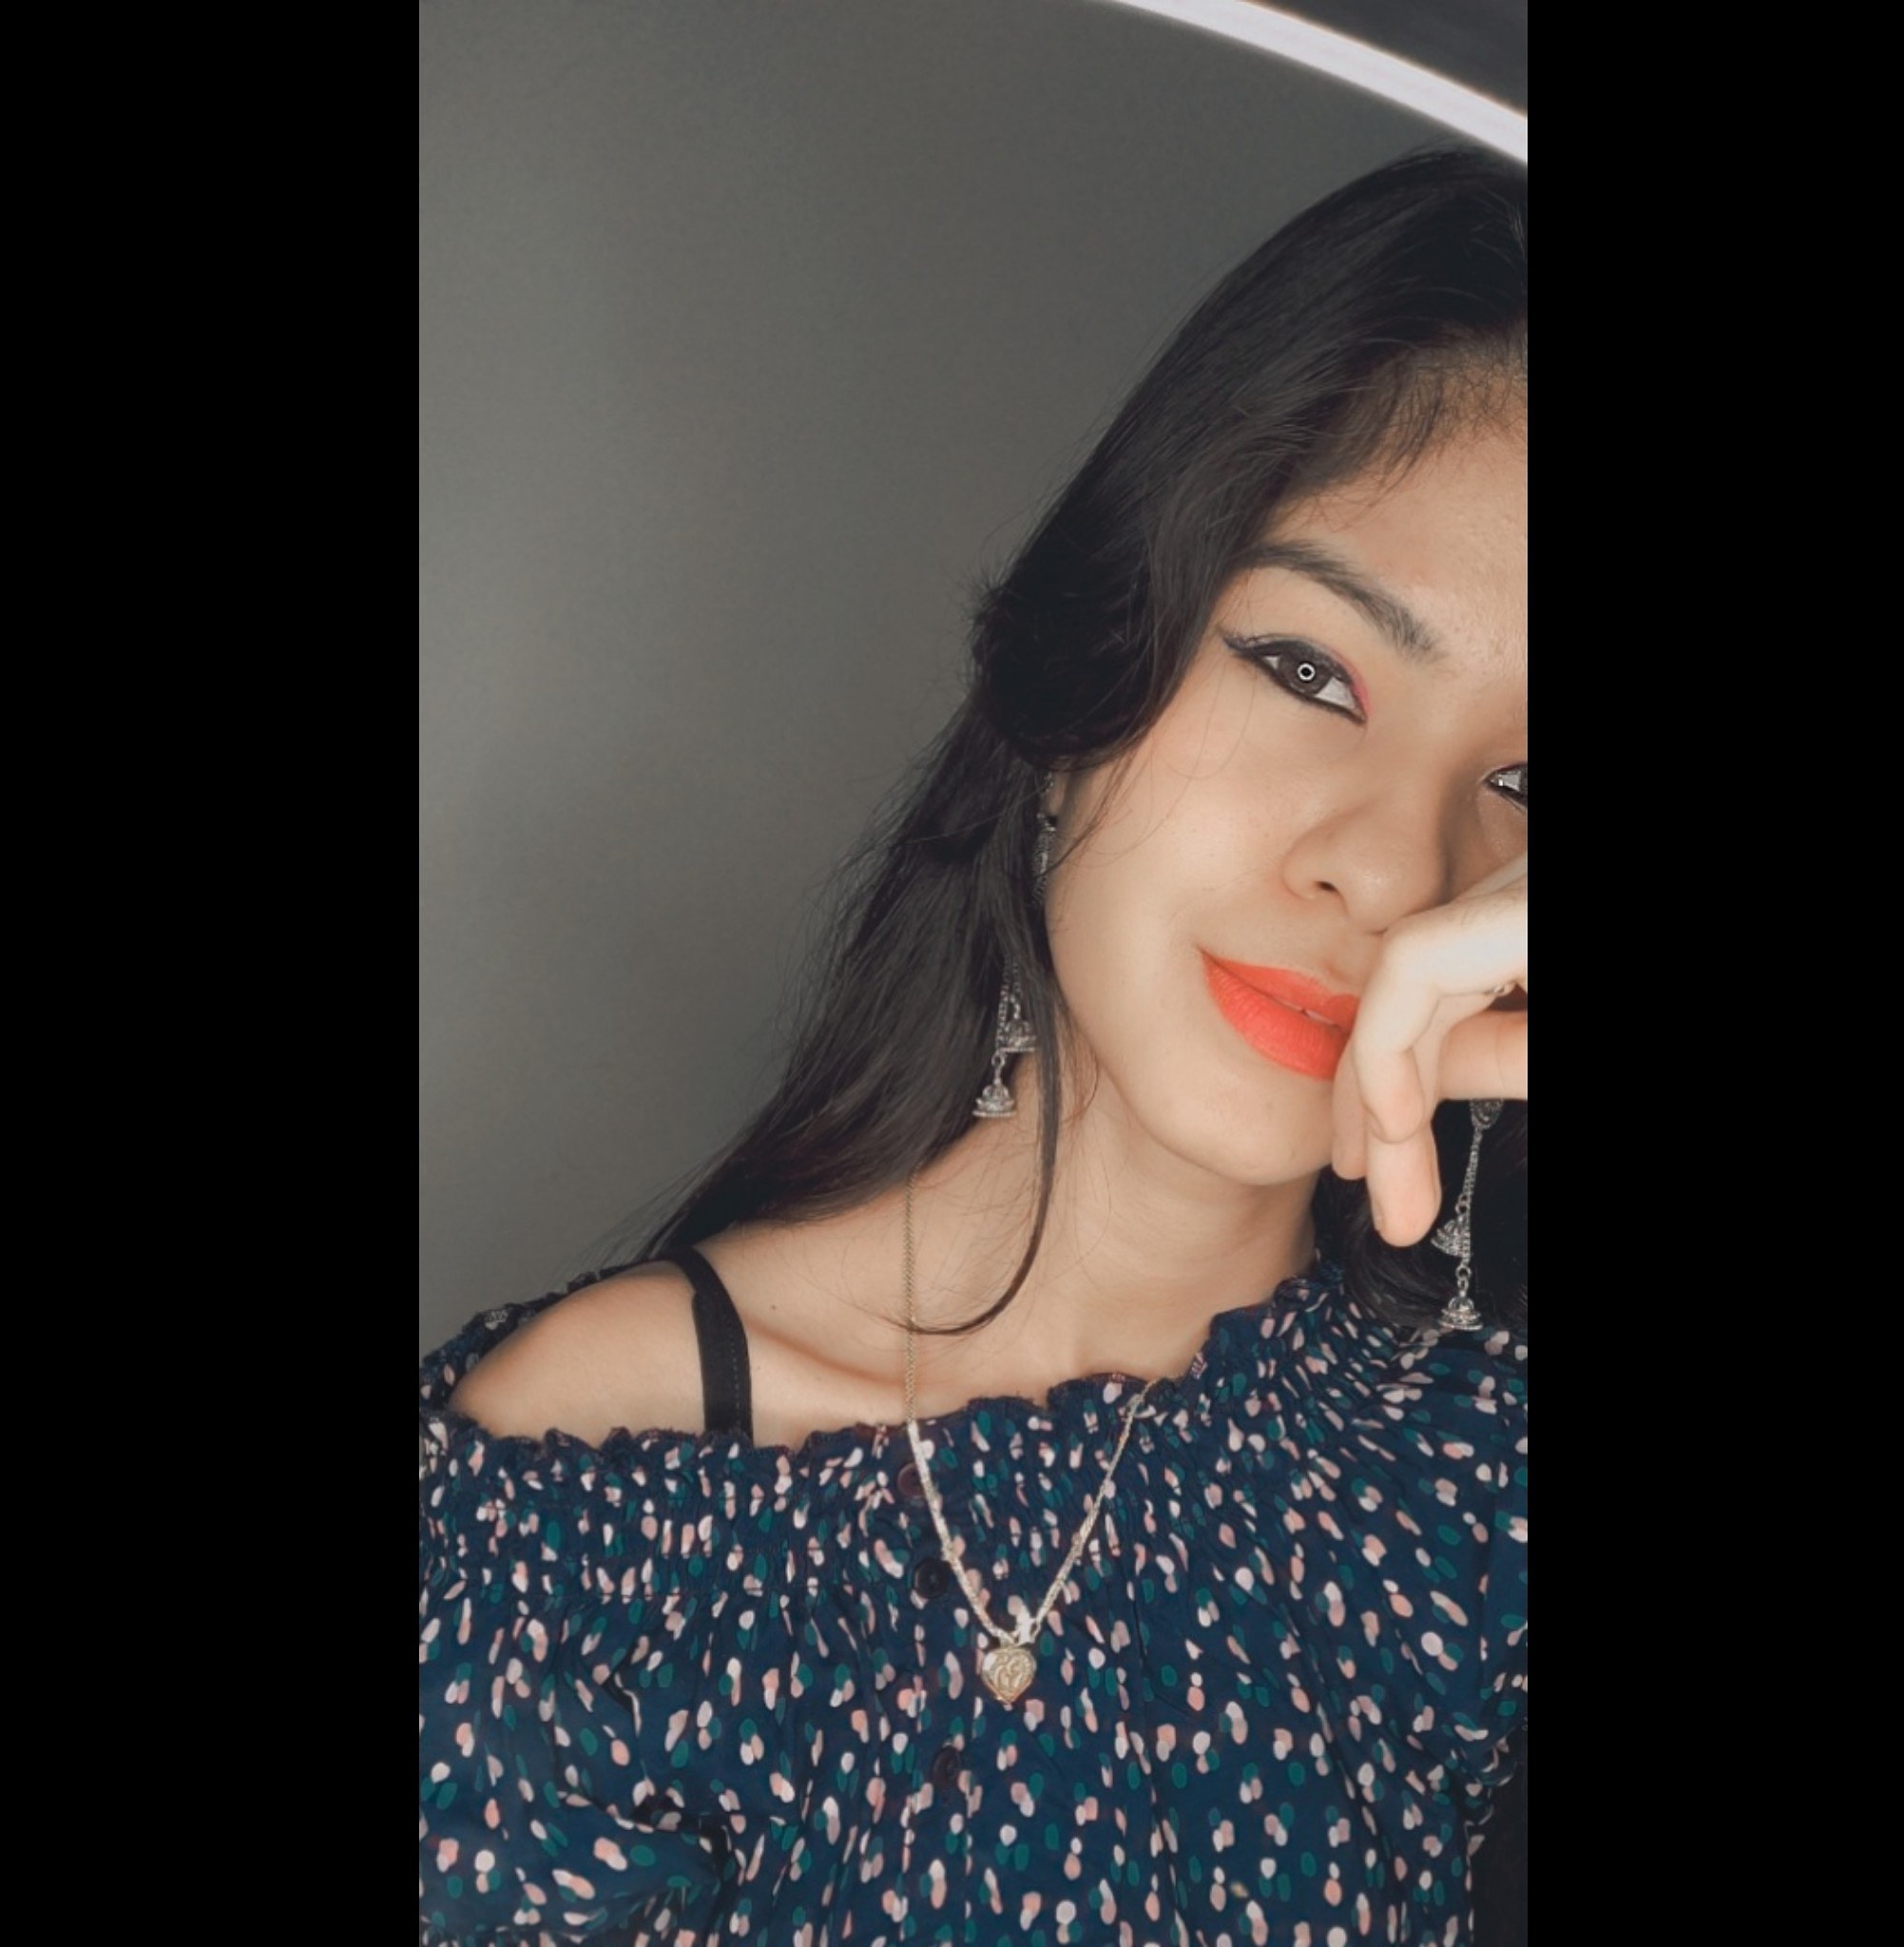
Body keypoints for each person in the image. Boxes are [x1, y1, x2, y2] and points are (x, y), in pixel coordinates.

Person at [420, 145, 1528, 1947]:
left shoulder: (1476, 1482)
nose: (1401, 866)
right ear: (1090, 678)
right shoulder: (583, 1497)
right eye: (1312, 671)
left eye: (1528, 780)